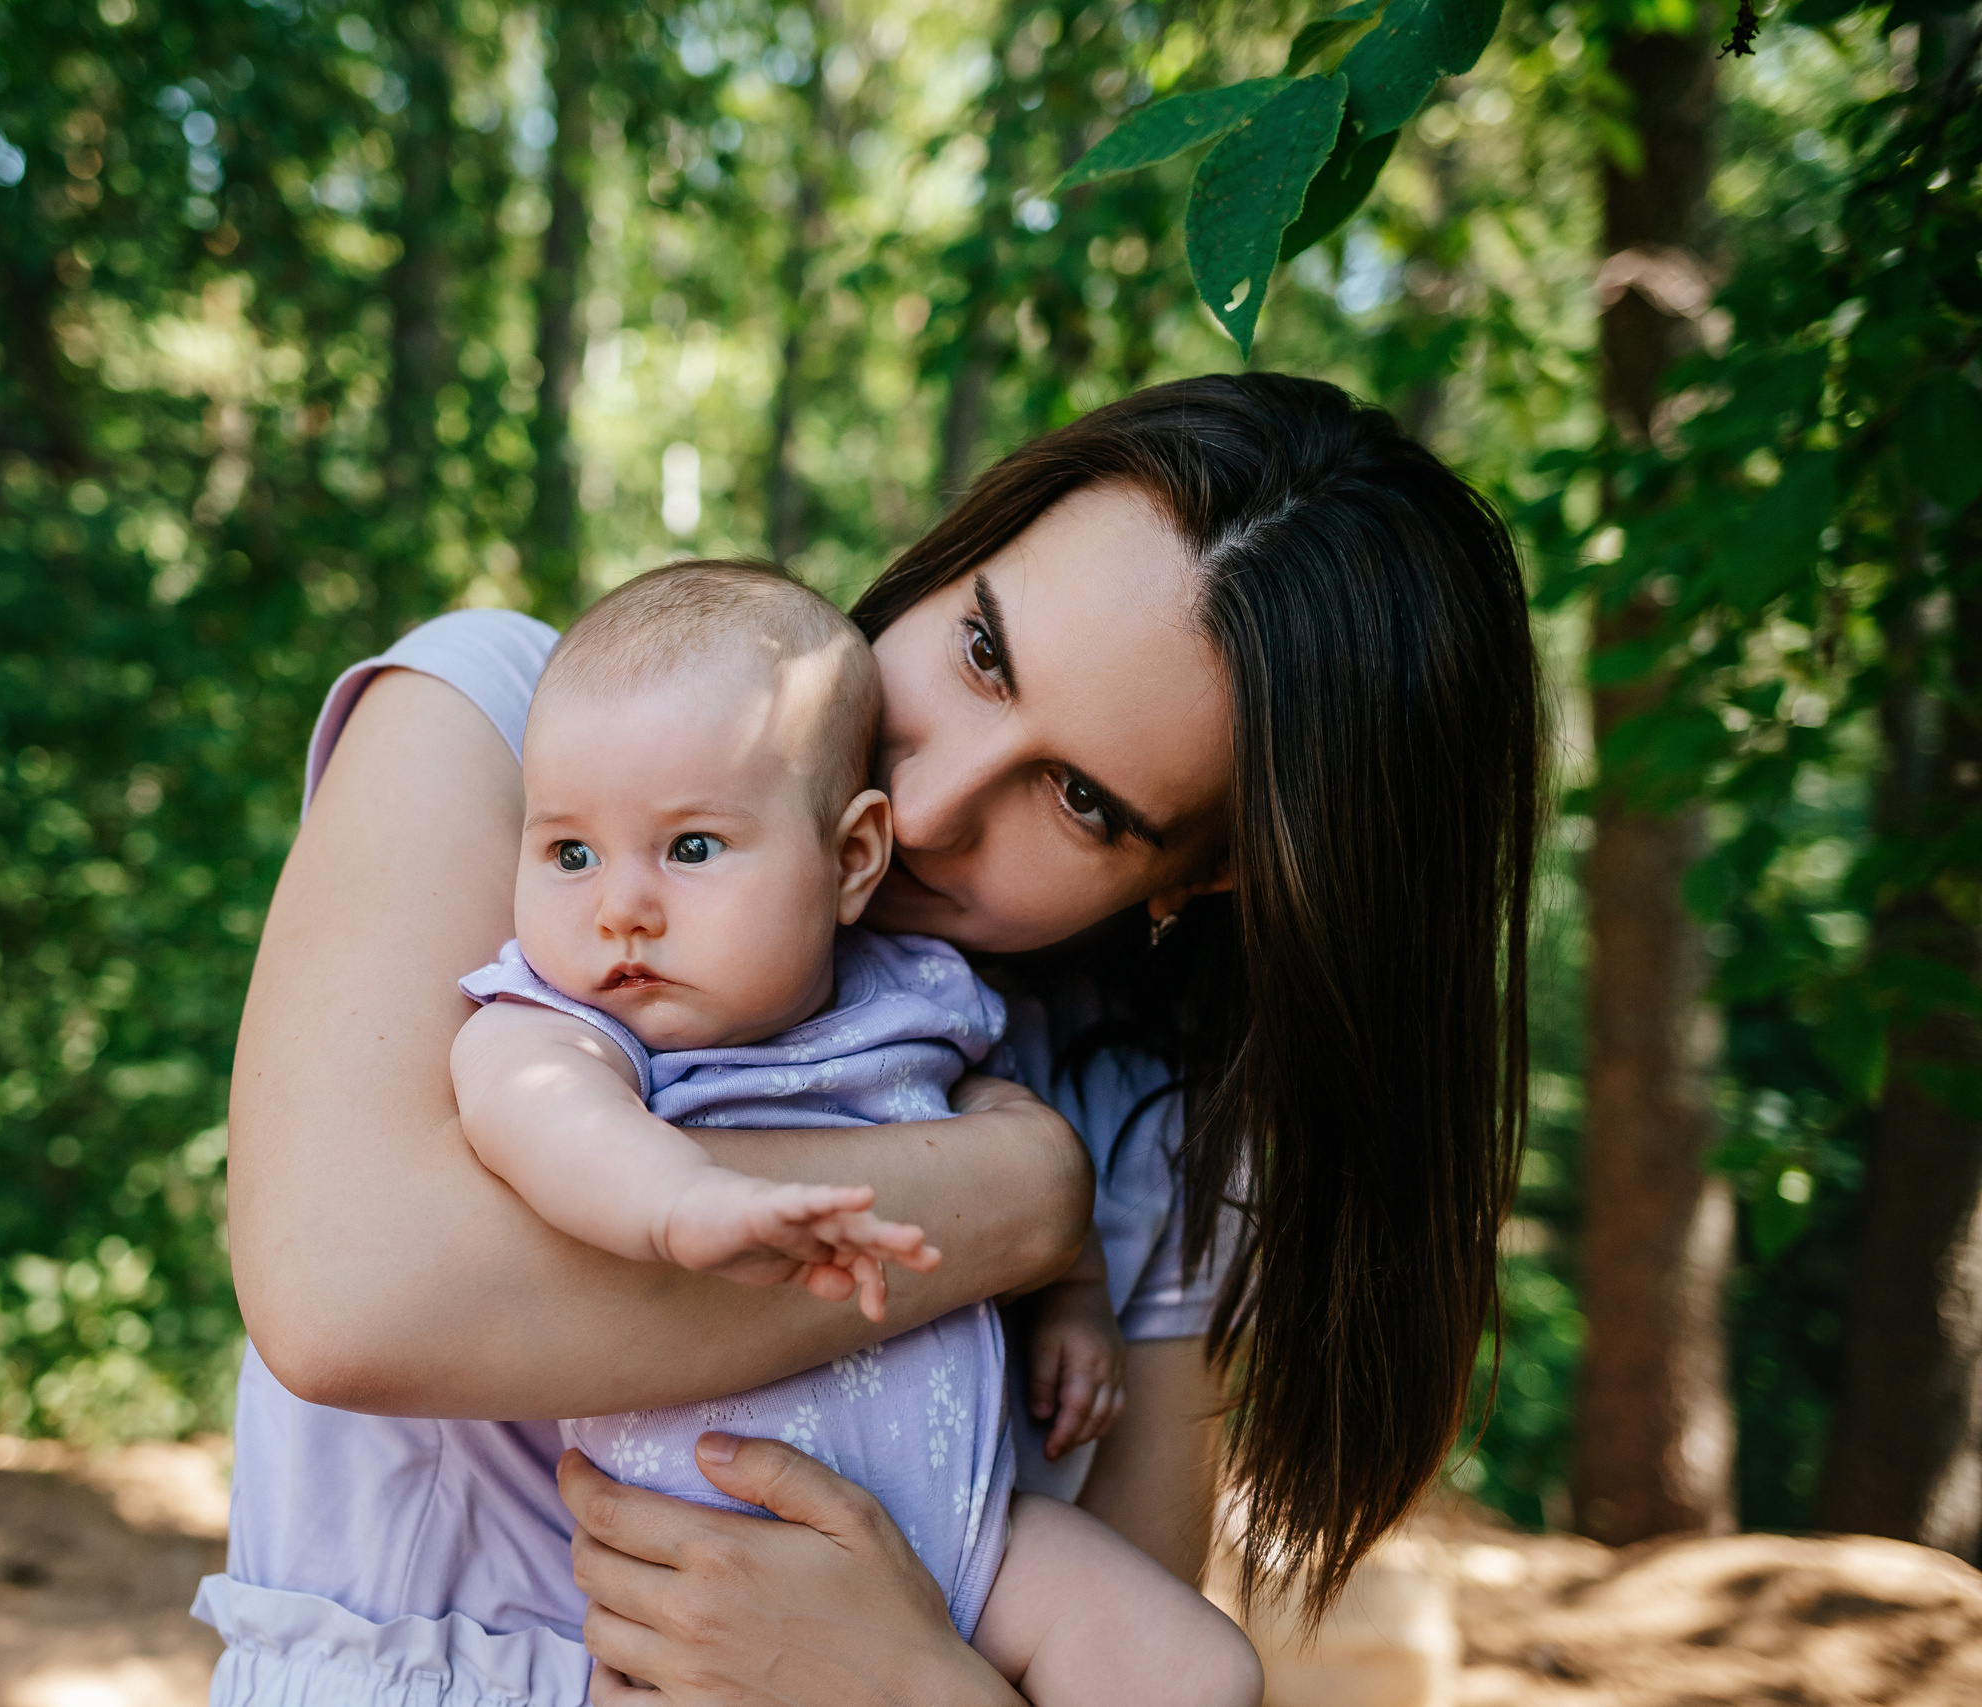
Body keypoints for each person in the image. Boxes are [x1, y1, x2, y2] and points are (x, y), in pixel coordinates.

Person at [199, 374, 1543, 1707]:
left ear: (1206, 877)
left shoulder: (1155, 1137)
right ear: (955, 549)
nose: (936, 795)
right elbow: (346, 1287)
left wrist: (916, 1684)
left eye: (1081, 800)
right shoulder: (524, 733)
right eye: (980, 650)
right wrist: (1024, 1199)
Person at [451, 561, 1189, 1699]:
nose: (619, 905)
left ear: (851, 858)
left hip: (964, 1536)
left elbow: (1016, 1157)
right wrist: (680, 1199)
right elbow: (538, 1118)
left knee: (1195, 1669)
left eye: (690, 848)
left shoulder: (920, 995)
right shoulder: (568, 1022)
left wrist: (1077, 1299)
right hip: (702, 1568)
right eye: (569, 853)